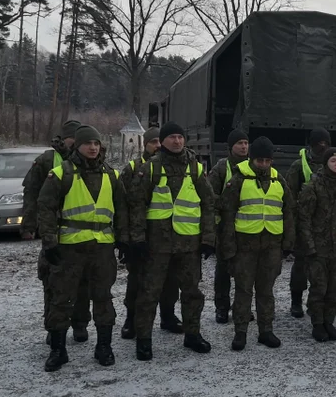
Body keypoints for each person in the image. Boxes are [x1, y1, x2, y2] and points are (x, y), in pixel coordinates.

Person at [37, 125, 128, 372]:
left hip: (102, 250)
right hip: (69, 250)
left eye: (96, 144)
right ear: (77, 145)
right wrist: (49, 242)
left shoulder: (112, 175)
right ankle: (58, 350)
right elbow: (44, 209)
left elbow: (122, 212)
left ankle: (104, 347)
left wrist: (124, 240)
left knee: (103, 299)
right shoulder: (60, 174)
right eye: (88, 143)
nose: (93, 147)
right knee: (61, 300)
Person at [128, 122, 215, 360]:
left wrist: (208, 238)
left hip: (189, 244)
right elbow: (137, 205)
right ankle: (144, 339)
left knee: (192, 293)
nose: (177, 141)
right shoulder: (151, 168)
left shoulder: (195, 169)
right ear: (163, 141)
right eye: (172, 137)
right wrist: (137, 239)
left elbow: (209, 204)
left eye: (180, 137)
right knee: (149, 293)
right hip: (157, 245)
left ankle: (192, 335)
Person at [218, 136, 295, 350]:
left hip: (271, 245)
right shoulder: (239, 179)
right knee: (243, 290)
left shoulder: (279, 180)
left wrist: (288, 243)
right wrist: (228, 247)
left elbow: (288, 212)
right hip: (245, 246)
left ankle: (266, 331)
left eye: (267, 161)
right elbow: (227, 215)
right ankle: (240, 332)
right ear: (252, 159)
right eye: (259, 160)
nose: (263, 164)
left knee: (266, 290)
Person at [22, 118, 91, 344]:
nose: (75, 144)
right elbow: (31, 193)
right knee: (52, 283)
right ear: (63, 139)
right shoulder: (47, 160)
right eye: (72, 139)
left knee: (82, 283)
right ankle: (54, 329)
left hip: (81, 234)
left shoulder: (90, 160)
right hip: (53, 232)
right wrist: (29, 225)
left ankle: (80, 325)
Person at [120, 127, 181, 340]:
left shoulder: (175, 167)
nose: (156, 146)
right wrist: (127, 240)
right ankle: (131, 320)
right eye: (153, 142)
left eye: (158, 141)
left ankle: (168, 316)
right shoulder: (133, 169)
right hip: (141, 239)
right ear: (145, 144)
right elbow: (124, 206)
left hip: (168, 238)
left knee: (170, 281)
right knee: (137, 281)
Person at [297, 148, 336, 341]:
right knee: (319, 287)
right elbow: (304, 219)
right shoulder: (313, 187)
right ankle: (317, 322)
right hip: (319, 247)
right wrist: (309, 246)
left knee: (335, 287)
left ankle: (329, 321)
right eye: (333, 160)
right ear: (326, 164)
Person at [286, 128, 331, 318]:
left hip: (327, 226)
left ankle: (319, 303)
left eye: (325, 143)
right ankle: (296, 302)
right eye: (318, 142)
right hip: (304, 225)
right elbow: (288, 195)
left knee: (324, 267)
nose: (322, 146)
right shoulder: (299, 165)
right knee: (301, 265)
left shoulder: (332, 163)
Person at [208, 128, 250, 324]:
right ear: (230, 147)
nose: (243, 147)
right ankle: (222, 308)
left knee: (245, 272)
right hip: (225, 229)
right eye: (239, 143)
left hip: (248, 229)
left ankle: (242, 308)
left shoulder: (254, 167)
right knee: (224, 271)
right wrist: (228, 204)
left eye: (245, 143)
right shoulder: (221, 168)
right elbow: (209, 197)